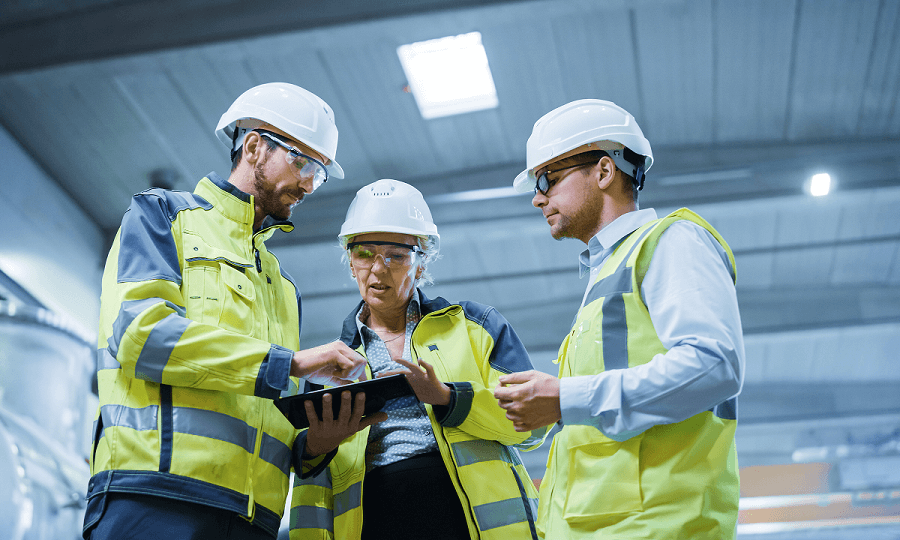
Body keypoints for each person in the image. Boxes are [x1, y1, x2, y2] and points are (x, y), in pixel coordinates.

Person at [83, 82, 379, 539]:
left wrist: (314, 444)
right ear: (255, 147)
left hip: (251, 519)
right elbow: (140, 335)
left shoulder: (281, 284)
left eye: (317, 174)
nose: (307, 184)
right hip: (156, 499)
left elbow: (269, 411)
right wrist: (290, 362)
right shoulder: (164, 217)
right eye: (301, 163)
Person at [493, 99, 745, 539]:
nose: (537, 198)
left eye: (547, 178)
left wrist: (567, 398)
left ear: (605, 172)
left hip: (658, 528)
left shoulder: (671, 242)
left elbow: (715, 364)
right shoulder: (607, 273)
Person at [289, 179, 548, 540]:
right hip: (376, 524)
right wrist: (317, 446)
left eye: (396, 255)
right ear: (350, 262)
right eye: (364, 253)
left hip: (469, 524)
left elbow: (535, 424)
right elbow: (308, 487)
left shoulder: (476, 326)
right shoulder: (325, 366)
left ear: (422, 263)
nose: (378, 269)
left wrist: (448, 398)